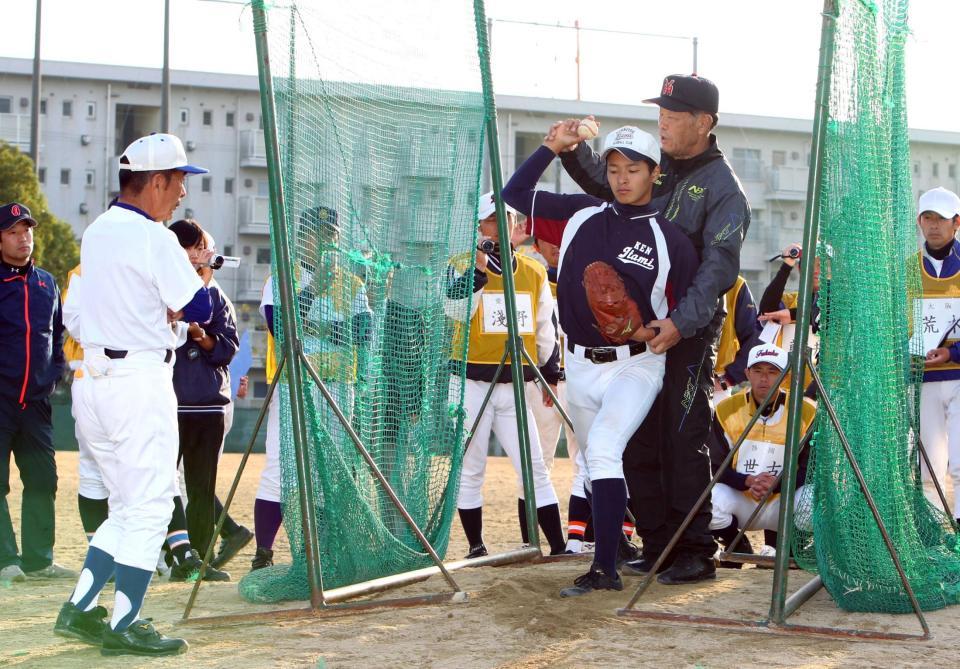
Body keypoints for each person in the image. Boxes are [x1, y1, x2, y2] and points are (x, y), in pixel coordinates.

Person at [557, 74, 750, 584]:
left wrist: (679, 323)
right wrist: (573, 151)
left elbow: (718, 270)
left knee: (683, 435)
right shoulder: (657, 170)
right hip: (638, 335)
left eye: (674, 114)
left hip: (685, 334)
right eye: (660, 111)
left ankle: (694, 551)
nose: (662, 121)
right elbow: (607, 184)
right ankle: (659, 543)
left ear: (704, 122)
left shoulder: (725, 190)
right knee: (639, 438)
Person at [502, 124, 700, 596]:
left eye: (633, 169)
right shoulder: (579, 215)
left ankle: (604, 569)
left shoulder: (669, 238)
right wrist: (552, 147)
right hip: (580, 363)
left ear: (655, 173)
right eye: (613, 169)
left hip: (635, 364)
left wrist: (669, 327)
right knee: (592, 459)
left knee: (607, 449)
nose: (621, 178)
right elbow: (515, 193)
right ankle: (623, 548)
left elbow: (694, 304)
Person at [53, 133, 211, 657]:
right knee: (150, 507)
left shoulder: (97, 230)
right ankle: (125, 624)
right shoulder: (155, 237)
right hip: (137, 382)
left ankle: (78, 609)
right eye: (180, 180)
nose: (182, 192)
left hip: (94, 384)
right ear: (157, 180)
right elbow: (201, 309)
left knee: (125, 509)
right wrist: (192, 289)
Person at [447, 192, 566, 558]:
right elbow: (453, 311)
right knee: (471, 467)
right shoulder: (461, 263)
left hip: (515, 385)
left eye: (507, 219)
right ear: (479, 226)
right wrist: (479, 273)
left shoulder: (532, 271)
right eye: (492, 220)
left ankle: (558, 546)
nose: (501, 227)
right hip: (469, 382)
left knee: (534, 466)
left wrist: (550, 370)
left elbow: (545, 326)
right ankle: (476, 546)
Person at [0, 202, 76, 584]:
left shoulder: (47, 283)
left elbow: (56, 334)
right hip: (0, 400)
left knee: (43, 479)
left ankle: (39, 560)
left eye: (27, 230)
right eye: (13, 231)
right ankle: (4, 561)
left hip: (37, 403)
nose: (22, 238)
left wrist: (55, 372)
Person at [167, 219, 240, 579]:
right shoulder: (163, 287)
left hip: (208, 404)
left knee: (200, 487)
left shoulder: (216, 295)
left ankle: (197, 560)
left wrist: (204, 339)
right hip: (168, 402)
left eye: (205, 248)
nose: (204, 255)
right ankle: (171, 554)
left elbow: (228, 345)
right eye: (196, 248)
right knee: (164, 482)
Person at [708, 344, 816, 560]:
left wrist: (777, 484)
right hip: (743, 497)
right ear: (747, 373)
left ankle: (793, 546)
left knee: (814, 499)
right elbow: (714, 464)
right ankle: (736, 543)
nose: (764, 379)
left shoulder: (806, 410)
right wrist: (747, 481)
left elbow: (810, 467)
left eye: (772, 371)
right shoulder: (726, 409)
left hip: (783, 501)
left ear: (785, 376)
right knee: (707, 502)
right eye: (758, 371)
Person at [913, 187, 960, 520]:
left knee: (959, 463)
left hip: (958, 376)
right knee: (928, 466)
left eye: (941, 219)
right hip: (922, 380)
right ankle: (935, 538)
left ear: (956, 223)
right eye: (927, 218)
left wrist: (953, 352)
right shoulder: (906, 269)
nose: (934, 225)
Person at [252, 273, 284, 571]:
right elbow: (281, 328)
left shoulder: (352, 281)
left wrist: (315, 326)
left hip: (340, 384)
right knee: (278, 467)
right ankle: (263, 553)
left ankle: (324, 554)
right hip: (289, 384)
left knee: (327, 475)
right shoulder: (281, 279)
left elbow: (361, 331)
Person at [713, 276, 762, 401]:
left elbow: (753, 336)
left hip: (716, 381)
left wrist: (729, 378)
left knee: (716, 420)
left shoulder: (737, 284)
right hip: (671, 375)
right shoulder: (677, 271)